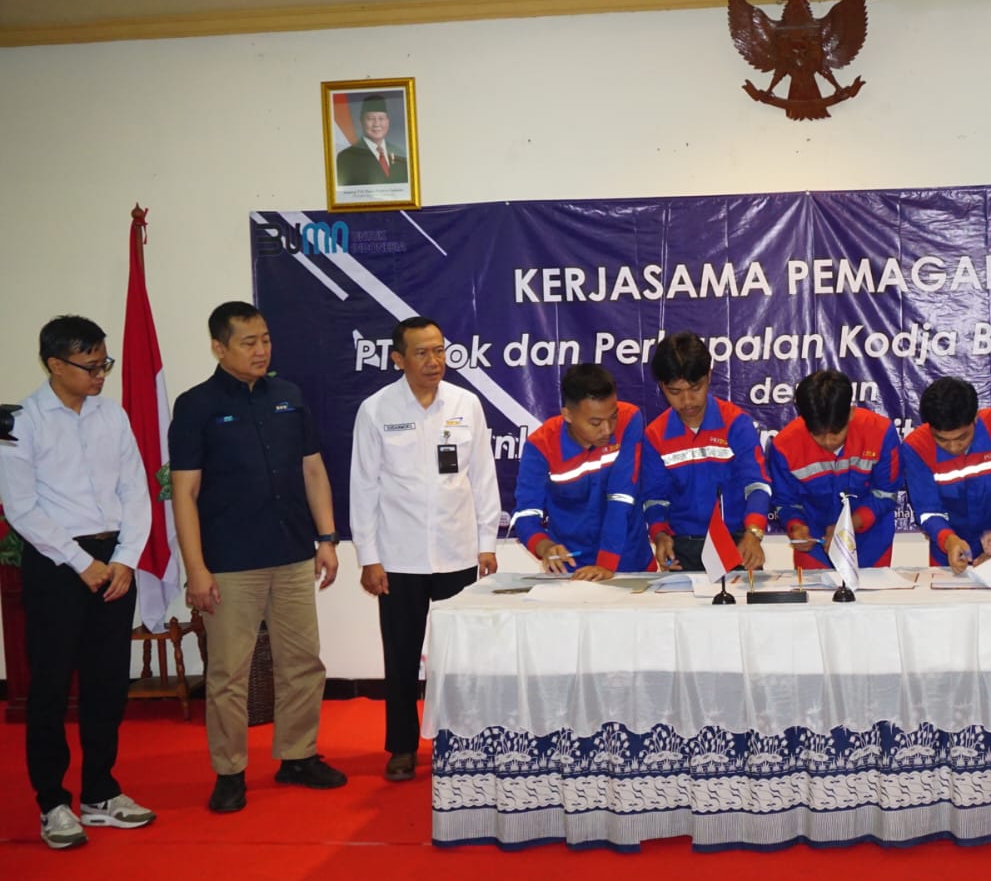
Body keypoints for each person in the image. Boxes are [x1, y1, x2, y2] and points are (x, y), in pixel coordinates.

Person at [169, 301, 347, 814]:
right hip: (229, 562)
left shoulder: (288, 396)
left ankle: (298, 756)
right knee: (229, 674)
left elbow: (313, 470)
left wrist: (327, 538)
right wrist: (196, 568)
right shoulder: (196, 405)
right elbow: (184, 493)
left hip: (292, 553)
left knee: (303, 664)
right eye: (248, 342)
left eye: (265, 339)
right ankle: (229, 771)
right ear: (218, 348)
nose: (261, 350)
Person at [0, 316, 155, 849]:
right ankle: (53, 803)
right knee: (49, 688)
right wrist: (79, 561)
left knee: (106, 683)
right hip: (57, 565)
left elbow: (135, 490)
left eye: (104, 362)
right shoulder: (22, 422)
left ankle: (100, 792)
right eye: (91, 365)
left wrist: (126, 559)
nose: (101, 373)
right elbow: (22, 507)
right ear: (55, 364)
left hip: (114, 563)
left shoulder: (112, 415)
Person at [348, 317, 500, 783]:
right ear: (398, 359)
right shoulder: (376, 409)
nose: (434, 361)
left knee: (459, 657)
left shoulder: (466, 404)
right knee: (401, 658)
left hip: (458, 552)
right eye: (422, 353)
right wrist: (368, 557)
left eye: (440, 351)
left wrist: (487, 543)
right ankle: (401, 747)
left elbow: (483, 476)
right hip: (399, 557)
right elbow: (363, 486)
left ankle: (460, 741)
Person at [640, 332, 770, 573]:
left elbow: (757, 485)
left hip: (737, 543)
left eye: (695, 388)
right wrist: (659, 535)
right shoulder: (655, 435)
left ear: (709, 376)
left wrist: (754, 532)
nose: (687, 401)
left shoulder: (736, 423)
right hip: (683, 549)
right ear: (662, 387)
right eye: (675, 392)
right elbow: (655, 498)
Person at [511, 363, 651, 578]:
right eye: (595, 423)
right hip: (571, 570)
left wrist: (606, 564)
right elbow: (526, 514)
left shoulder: (630, 419)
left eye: (613, 417)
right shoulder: (541, 445)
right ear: (567, 415)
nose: (608, 429)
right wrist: (546, 547)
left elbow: (621, 497)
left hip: (629, 562)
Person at [767, 369, 901, 570]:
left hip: (871, 545)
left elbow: (886, 495)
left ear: (851, 412)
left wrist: (848, 526)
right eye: (818, 435)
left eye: (836, 433)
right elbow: (786, 502)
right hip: (815, 549)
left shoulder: (881, 433)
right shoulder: (784, 446)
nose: (828, 442)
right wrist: (796, 526)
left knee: (872, 591)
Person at [900, 377, 991, 573]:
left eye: (962, 437)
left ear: (975, 418)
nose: (954, 447)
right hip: (948, 552)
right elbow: (928, 510)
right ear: (929, 427)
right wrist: (949, 540)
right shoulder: (916, 447)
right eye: (942, 440)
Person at [335, 94, 409, 186]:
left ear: (388, 121)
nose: (377, 124)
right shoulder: (346, 157)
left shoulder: (399, 153)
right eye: (370, 119)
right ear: (361, 121)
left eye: (381, 118)